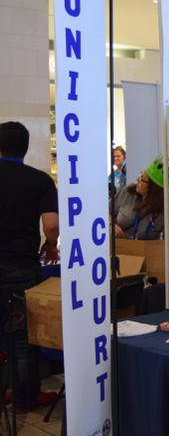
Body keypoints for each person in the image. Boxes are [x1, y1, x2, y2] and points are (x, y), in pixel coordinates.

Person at [0, 121, 59, 412]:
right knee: (25, 336)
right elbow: (51, 224)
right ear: (25, 148)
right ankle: (25, 398)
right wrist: (50, 244)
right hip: (23, 266)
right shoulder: (39, 180)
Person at [112, 155, 169, 240]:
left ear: (152, 188)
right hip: (119, 248)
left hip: (145, 252)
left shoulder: (165, 210)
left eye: (142, 179)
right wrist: (112, 225)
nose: (137, 180)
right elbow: (108, 210)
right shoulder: (127, 192)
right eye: (140, 175)